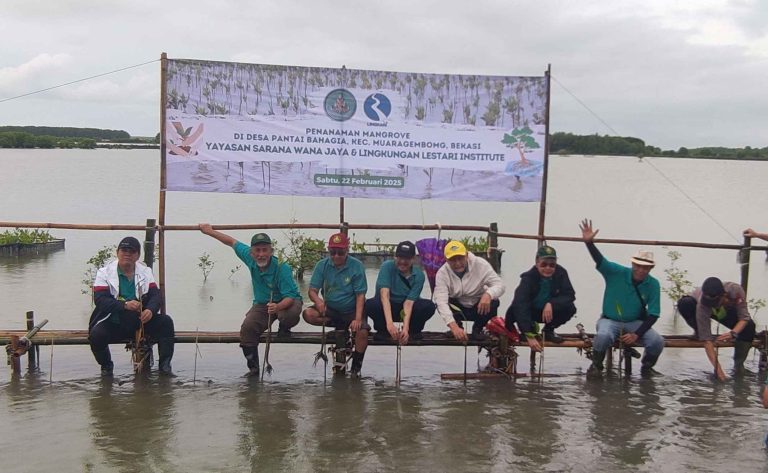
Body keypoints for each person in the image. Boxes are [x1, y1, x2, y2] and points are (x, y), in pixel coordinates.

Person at [199, 224, 302, 377]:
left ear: (271, 251)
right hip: (262, 304)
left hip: (287, 302)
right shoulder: (248, 256)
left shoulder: (282, 267)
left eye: (265, 250)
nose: (261, 254)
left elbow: (290, 296)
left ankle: (284, 328)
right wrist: (209, 231)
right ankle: (253, 369)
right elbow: (231, 242)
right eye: (257, 250)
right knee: (248, 327)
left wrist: (278, 307)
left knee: (288, 316)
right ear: (251, 253)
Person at [579, 219, 664, 376]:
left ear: (650, 268)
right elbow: (600, 260)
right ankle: (596, 365)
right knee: (603, 336)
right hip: (609, 320)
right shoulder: (616, 272)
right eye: (637, 265)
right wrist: (589, 243)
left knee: (657, 341)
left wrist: (636, 334)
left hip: (634, 322)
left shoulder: (653, 284)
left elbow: (654, 314)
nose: (640, 270)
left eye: (645, 267)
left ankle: (647, 367)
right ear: (632, 264)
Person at [88, 236, 175, 376]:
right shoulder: (104, 273)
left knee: (166, 322)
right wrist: (124, 305)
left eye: (132, 251)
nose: (127, 254)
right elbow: (100, 300)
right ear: (117, 252)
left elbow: (155, 296)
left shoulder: (145, 272)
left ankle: (165, 366)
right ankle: (106, 366)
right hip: (114, 322)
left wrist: (150, 311)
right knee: (96, 336)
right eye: (124, 250)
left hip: (141, 322)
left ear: (137, 255)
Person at [302, 232, 369, 377]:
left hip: (352, 309)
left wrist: (357, 319)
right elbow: (312, 290)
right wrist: (318, 301)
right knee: (308, 314)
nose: (336, 256)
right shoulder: (322, 265)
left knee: (362, 332)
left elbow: (360, 295)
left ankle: (356, 368)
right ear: (328, 251)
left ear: (347, 250)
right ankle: (340, 326)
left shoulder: (357, 266)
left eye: (340, 252)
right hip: (331, 309)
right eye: (333, 252)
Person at [677, 277, 755, 380]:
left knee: (749, 327)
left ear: (724, 295)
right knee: (685, 303)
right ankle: (697, 332)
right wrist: (719, 371)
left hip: (726, 311)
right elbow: (707, 341)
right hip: (696, 309)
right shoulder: (702, 305)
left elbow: (744, 318)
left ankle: (738, 365)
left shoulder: (735, 291)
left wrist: (733, 333)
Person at [505, 244, 576, 351]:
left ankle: (548, 331)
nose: (548, 268)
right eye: (544, 264)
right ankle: (525, 330)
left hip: (546, 312)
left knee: (570, 308)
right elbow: (521, 305)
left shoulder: (561, 273)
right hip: (527, 312)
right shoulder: (528, 278)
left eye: (552, 265)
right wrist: (529, 334)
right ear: (537, 263)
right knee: (517, 310)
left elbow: (570, 295)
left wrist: (552, 303)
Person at [365, 241, 435, 344]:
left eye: (406, 258)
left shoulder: (419, 275)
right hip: (388, 306)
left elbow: (409, 303)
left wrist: (405, 328)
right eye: (400, 258)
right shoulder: (387, 267)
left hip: (407, 309)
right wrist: (389, 324)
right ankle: (383, 331)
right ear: (395, 257)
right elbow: (385, 295)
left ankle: (412, 331)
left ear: (413, 259)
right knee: (371, 304)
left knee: (428, 306)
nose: (402, 261)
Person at [434, 240, 506, 341]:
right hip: (457, 307)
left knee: (494, 301)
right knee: (441, 303)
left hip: (479, 307)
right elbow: (441, 301)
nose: (458, 263)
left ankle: (478, 329)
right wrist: (454, 327)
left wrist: (488, 294)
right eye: (453, 260)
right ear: (446, 259)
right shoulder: (442, 273)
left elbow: (500, 285)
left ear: (467, 255)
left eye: (460, 258)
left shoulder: (480, 264)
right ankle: (458, 327)